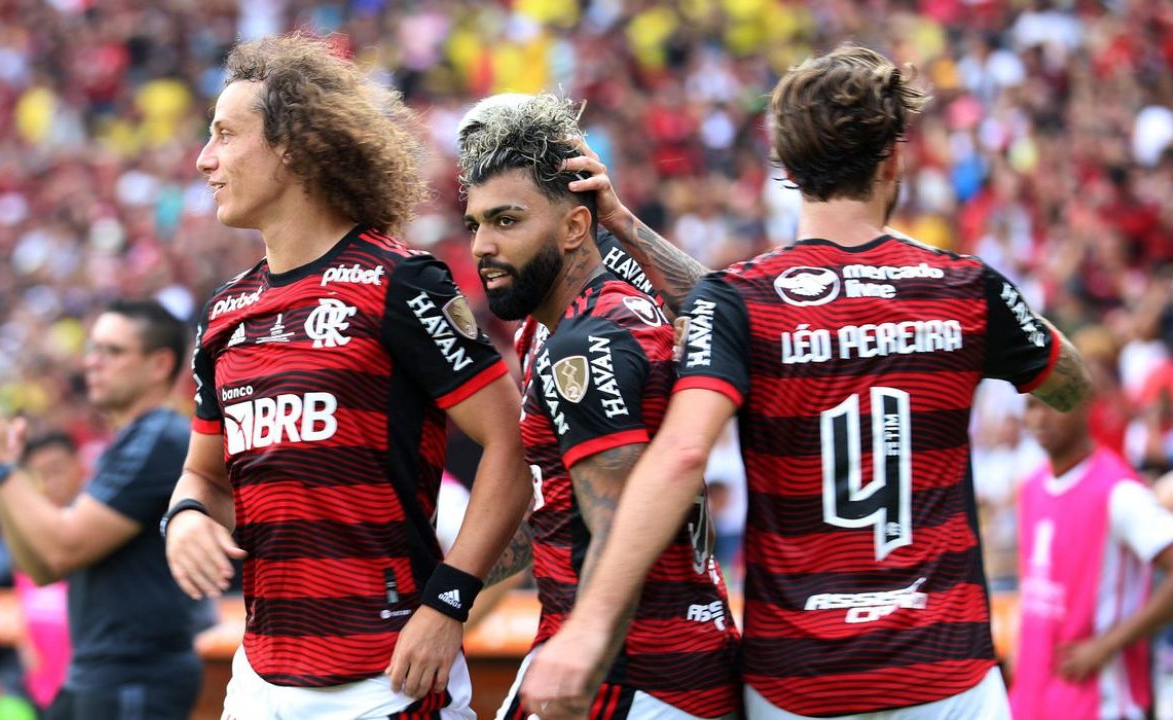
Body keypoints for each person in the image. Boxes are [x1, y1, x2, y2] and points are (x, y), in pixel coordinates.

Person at [521, 44, 1093, 720]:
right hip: (948, 679)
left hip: (799, 685)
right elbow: (1069, 384)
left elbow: (681, 454)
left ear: (786, 169)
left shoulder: (740, 301)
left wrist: (588, 628)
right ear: (893, 161)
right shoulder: (965, 286)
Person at [162, 33, 532, 719]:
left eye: (225, 135)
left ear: (292, 147)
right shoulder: (224, 312)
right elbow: (203, 476)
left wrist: (449, 602)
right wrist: (183, 516)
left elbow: (512, 440)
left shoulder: (399, 282)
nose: (204, 158)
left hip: (383, 681)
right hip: (258, 678)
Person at [460, 93, 741, 720]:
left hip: (627, 674)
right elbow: (559, 513)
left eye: (506, 221)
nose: (481, 245)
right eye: (475, 224)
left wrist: (583, 646)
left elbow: (617, 525)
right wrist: (448, 601)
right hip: (657, 659)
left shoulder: (587, 341)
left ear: (573, 228)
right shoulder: (574, 320)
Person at [0, 299, 205, 720]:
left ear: (160, 365)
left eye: (112, 352)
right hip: (96, 671)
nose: (92, 363)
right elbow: (43, 568)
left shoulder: (159, 438)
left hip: (134, 676)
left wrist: (1, 470)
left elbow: (61, 548)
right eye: (93, 349)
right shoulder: (131, 441)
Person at [1010, 395, 1173, 720]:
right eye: (1031, 406)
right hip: (1032, 702)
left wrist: (1107, 644)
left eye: (1052, 403)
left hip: (1102, 703)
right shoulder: (1030, 487)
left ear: (1084, 405)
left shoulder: (1120, 491)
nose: (1039, 418)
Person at [14, 433, 84, 713]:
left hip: (86, 687)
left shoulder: (94, 532)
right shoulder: (28, 538)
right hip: (43, 690)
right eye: (39, 475)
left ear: (78, 465)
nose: (50, 482)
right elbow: (26, 608)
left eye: (56, 470)